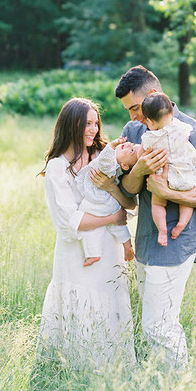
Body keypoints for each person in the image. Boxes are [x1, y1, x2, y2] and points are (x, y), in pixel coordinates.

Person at [94, 65, 196, 369]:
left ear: (153, 95)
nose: (132, 117)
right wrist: (137, 170)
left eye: (135, 108)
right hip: (146, 240)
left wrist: (168, 190)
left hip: (178, 242)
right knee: (150, 323)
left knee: (159, 326)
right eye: (127, 111)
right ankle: (158, 387)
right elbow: (128, 195)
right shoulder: (134, 132)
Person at [37, 98, 135, 368]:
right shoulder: (58, 167)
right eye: (86, 124)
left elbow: (130, 204)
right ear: (71, 126)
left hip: (109, 248)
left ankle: (113, 371)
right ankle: (74, 371)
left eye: (95, 123)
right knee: (80, 308)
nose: (93, 130)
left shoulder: (103, 156)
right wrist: (112, 217)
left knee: (110, 305)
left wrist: (113, 193)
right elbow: (69, 221)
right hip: (75, 254)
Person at [140, 92, 196, 247]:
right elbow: (188, 135)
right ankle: (181, 224)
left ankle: (162, 230)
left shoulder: (150, 137)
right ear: (172, 113)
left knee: (158, 204)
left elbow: (142, 155)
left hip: (163, 179)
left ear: (150, 122)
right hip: (185, 175)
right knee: (186, 202)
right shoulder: (182, 128)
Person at [75, 136, 135, 267]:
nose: (129, 144)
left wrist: (111, 147)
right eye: (132, 144)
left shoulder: (111, 164)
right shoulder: (116, 166)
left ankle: (93, 253)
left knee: (86, 224)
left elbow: (104, 161)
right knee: (118, 226)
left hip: (96, 200)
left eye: (131, 151)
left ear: (124, 165)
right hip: (107, 202)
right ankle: (127, 245)